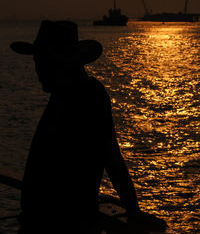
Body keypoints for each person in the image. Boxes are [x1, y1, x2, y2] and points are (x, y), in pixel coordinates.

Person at [11, 20, 166, 233]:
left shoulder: (88, 96)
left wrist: (133, 211)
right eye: (38, 62)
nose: (38, 70)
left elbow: (111, 157)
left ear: (61, 62)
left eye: (43, 62)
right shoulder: (62, 95)